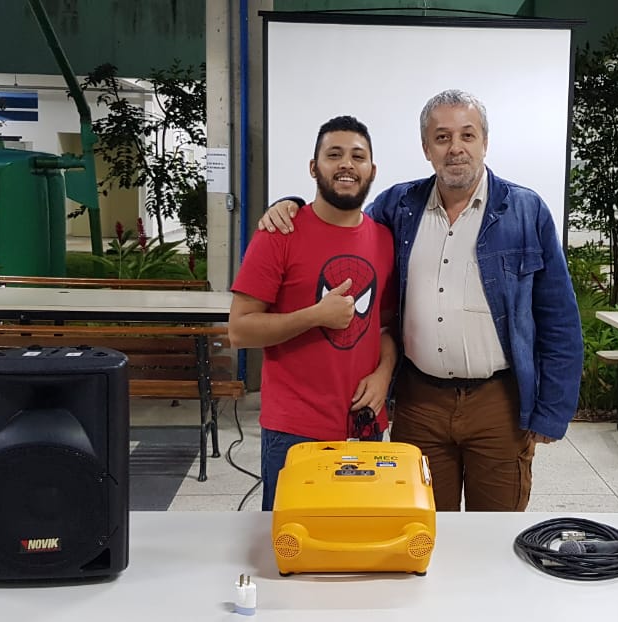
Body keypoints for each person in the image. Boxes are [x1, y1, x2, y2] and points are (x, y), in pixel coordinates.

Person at [260, 90, 582, 511]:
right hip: (421, 403)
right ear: (427, 148)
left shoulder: (525, 210)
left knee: (497, 533)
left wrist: (551, 410)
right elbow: (343, 220)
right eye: (442, 137)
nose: (456, 148)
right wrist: (290, 205)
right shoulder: (399, 206)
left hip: (498, 404)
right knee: (424, 526)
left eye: (467, 135)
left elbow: (558, 318)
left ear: (485, 142)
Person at [229, 115, 397, 511]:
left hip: (365, 423)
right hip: (294, 430)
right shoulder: (278, 234)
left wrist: (383, 376)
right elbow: (240, 329)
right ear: (313, 166)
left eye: (358, 156)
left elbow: (385, 327)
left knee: (359, 547)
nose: (346, 164)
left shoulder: (384, 239)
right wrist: (315, 315)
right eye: (333, 154)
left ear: (372, 170)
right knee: (292, 548)